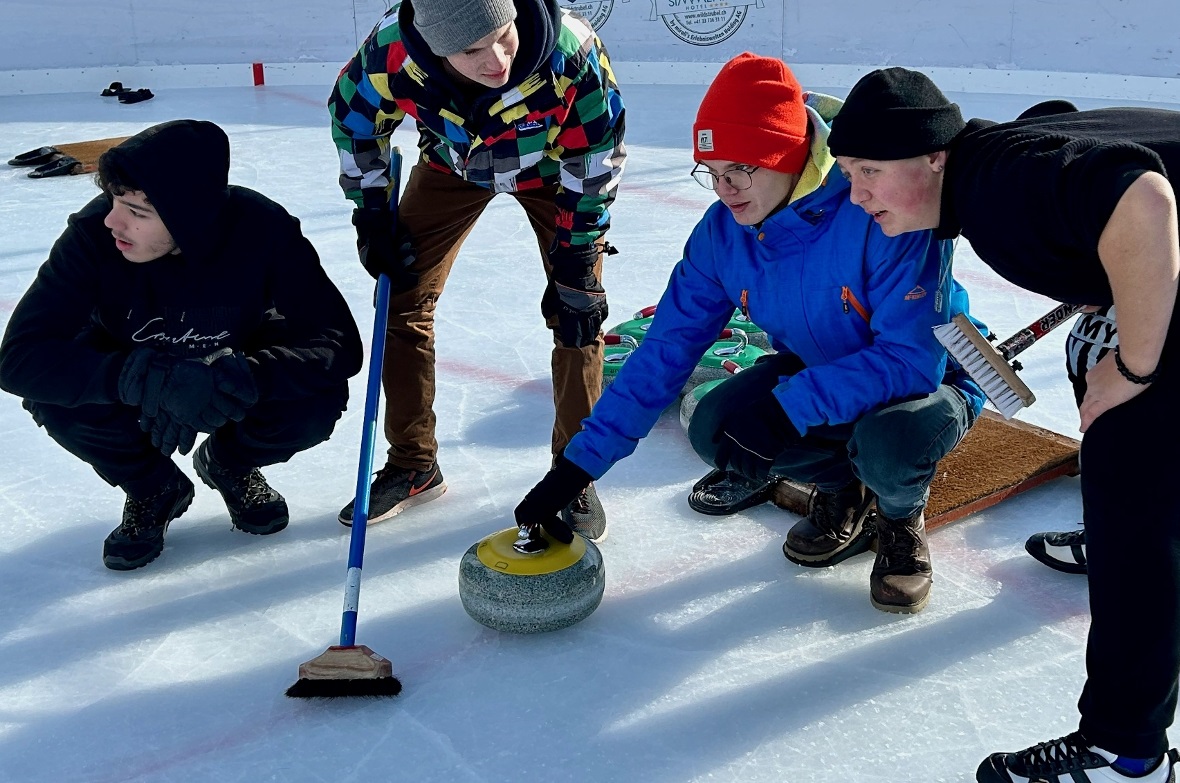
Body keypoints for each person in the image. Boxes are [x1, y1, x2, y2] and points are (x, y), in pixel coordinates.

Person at [512, 52, 986, 614]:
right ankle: (844, 492)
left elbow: (911, 362)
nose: (725, 188)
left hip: (931, 382)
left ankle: (901, 518)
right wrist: (578, 466)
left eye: (740, 169)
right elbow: (665, 351)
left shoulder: (881, 206)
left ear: (785, 155)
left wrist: (789, 409)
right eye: (711, 172)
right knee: (715, 427)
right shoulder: (721, 236)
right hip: (816, 369)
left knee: (891, 440)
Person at [827, 67, 1180, 783]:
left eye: (869, 171)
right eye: (846, 172)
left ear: (933, 158)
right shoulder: (999, 159)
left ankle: (1125, 750)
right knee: (1096, 349)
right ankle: (1138, 538)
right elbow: (1066, 125)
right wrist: (1106, 275)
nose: (856, 194)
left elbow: (1142, 202)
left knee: (1125, 458)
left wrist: (1139, 364)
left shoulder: (997, 193)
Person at [0, 120, 364, 571]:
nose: (114, 219)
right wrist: (138, 379)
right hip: (130, 367)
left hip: (233, 371)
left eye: (137, 210)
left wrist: (242, 376)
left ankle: (230, 463)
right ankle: (153, 486)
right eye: (115, 199)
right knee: (52, 395)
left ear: (188, 216)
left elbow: (338, 343)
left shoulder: (261, 228)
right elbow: (17, 358)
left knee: (315, 398)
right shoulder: (94, 235)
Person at [327, 0, 626, 541]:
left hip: (557, 173)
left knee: (577, 308)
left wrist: (578, 259)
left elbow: (597, 156)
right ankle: (414, 463)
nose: (497, 59)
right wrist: (371, 213)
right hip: (453, 165)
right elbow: (353, 121)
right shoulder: (393, 51)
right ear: (436, 46)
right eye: (471, 50)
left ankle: (573, 473)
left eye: (503, 34)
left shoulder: (571, 52)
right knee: (399, 298)